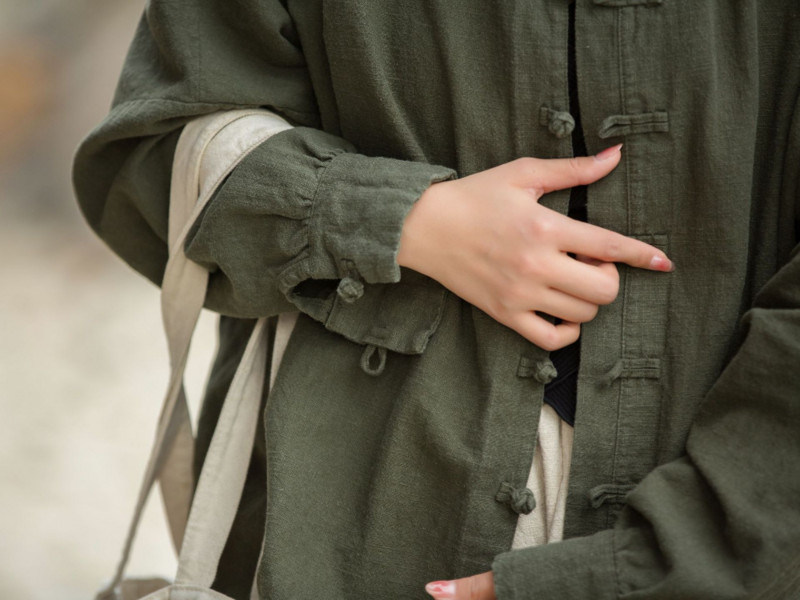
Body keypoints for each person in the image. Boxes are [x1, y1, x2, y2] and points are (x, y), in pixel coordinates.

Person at [73, 1, 800, 599]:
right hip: (340, 544)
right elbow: (150, 160)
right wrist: (405, 220)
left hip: (736, 551)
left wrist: (665, 563)